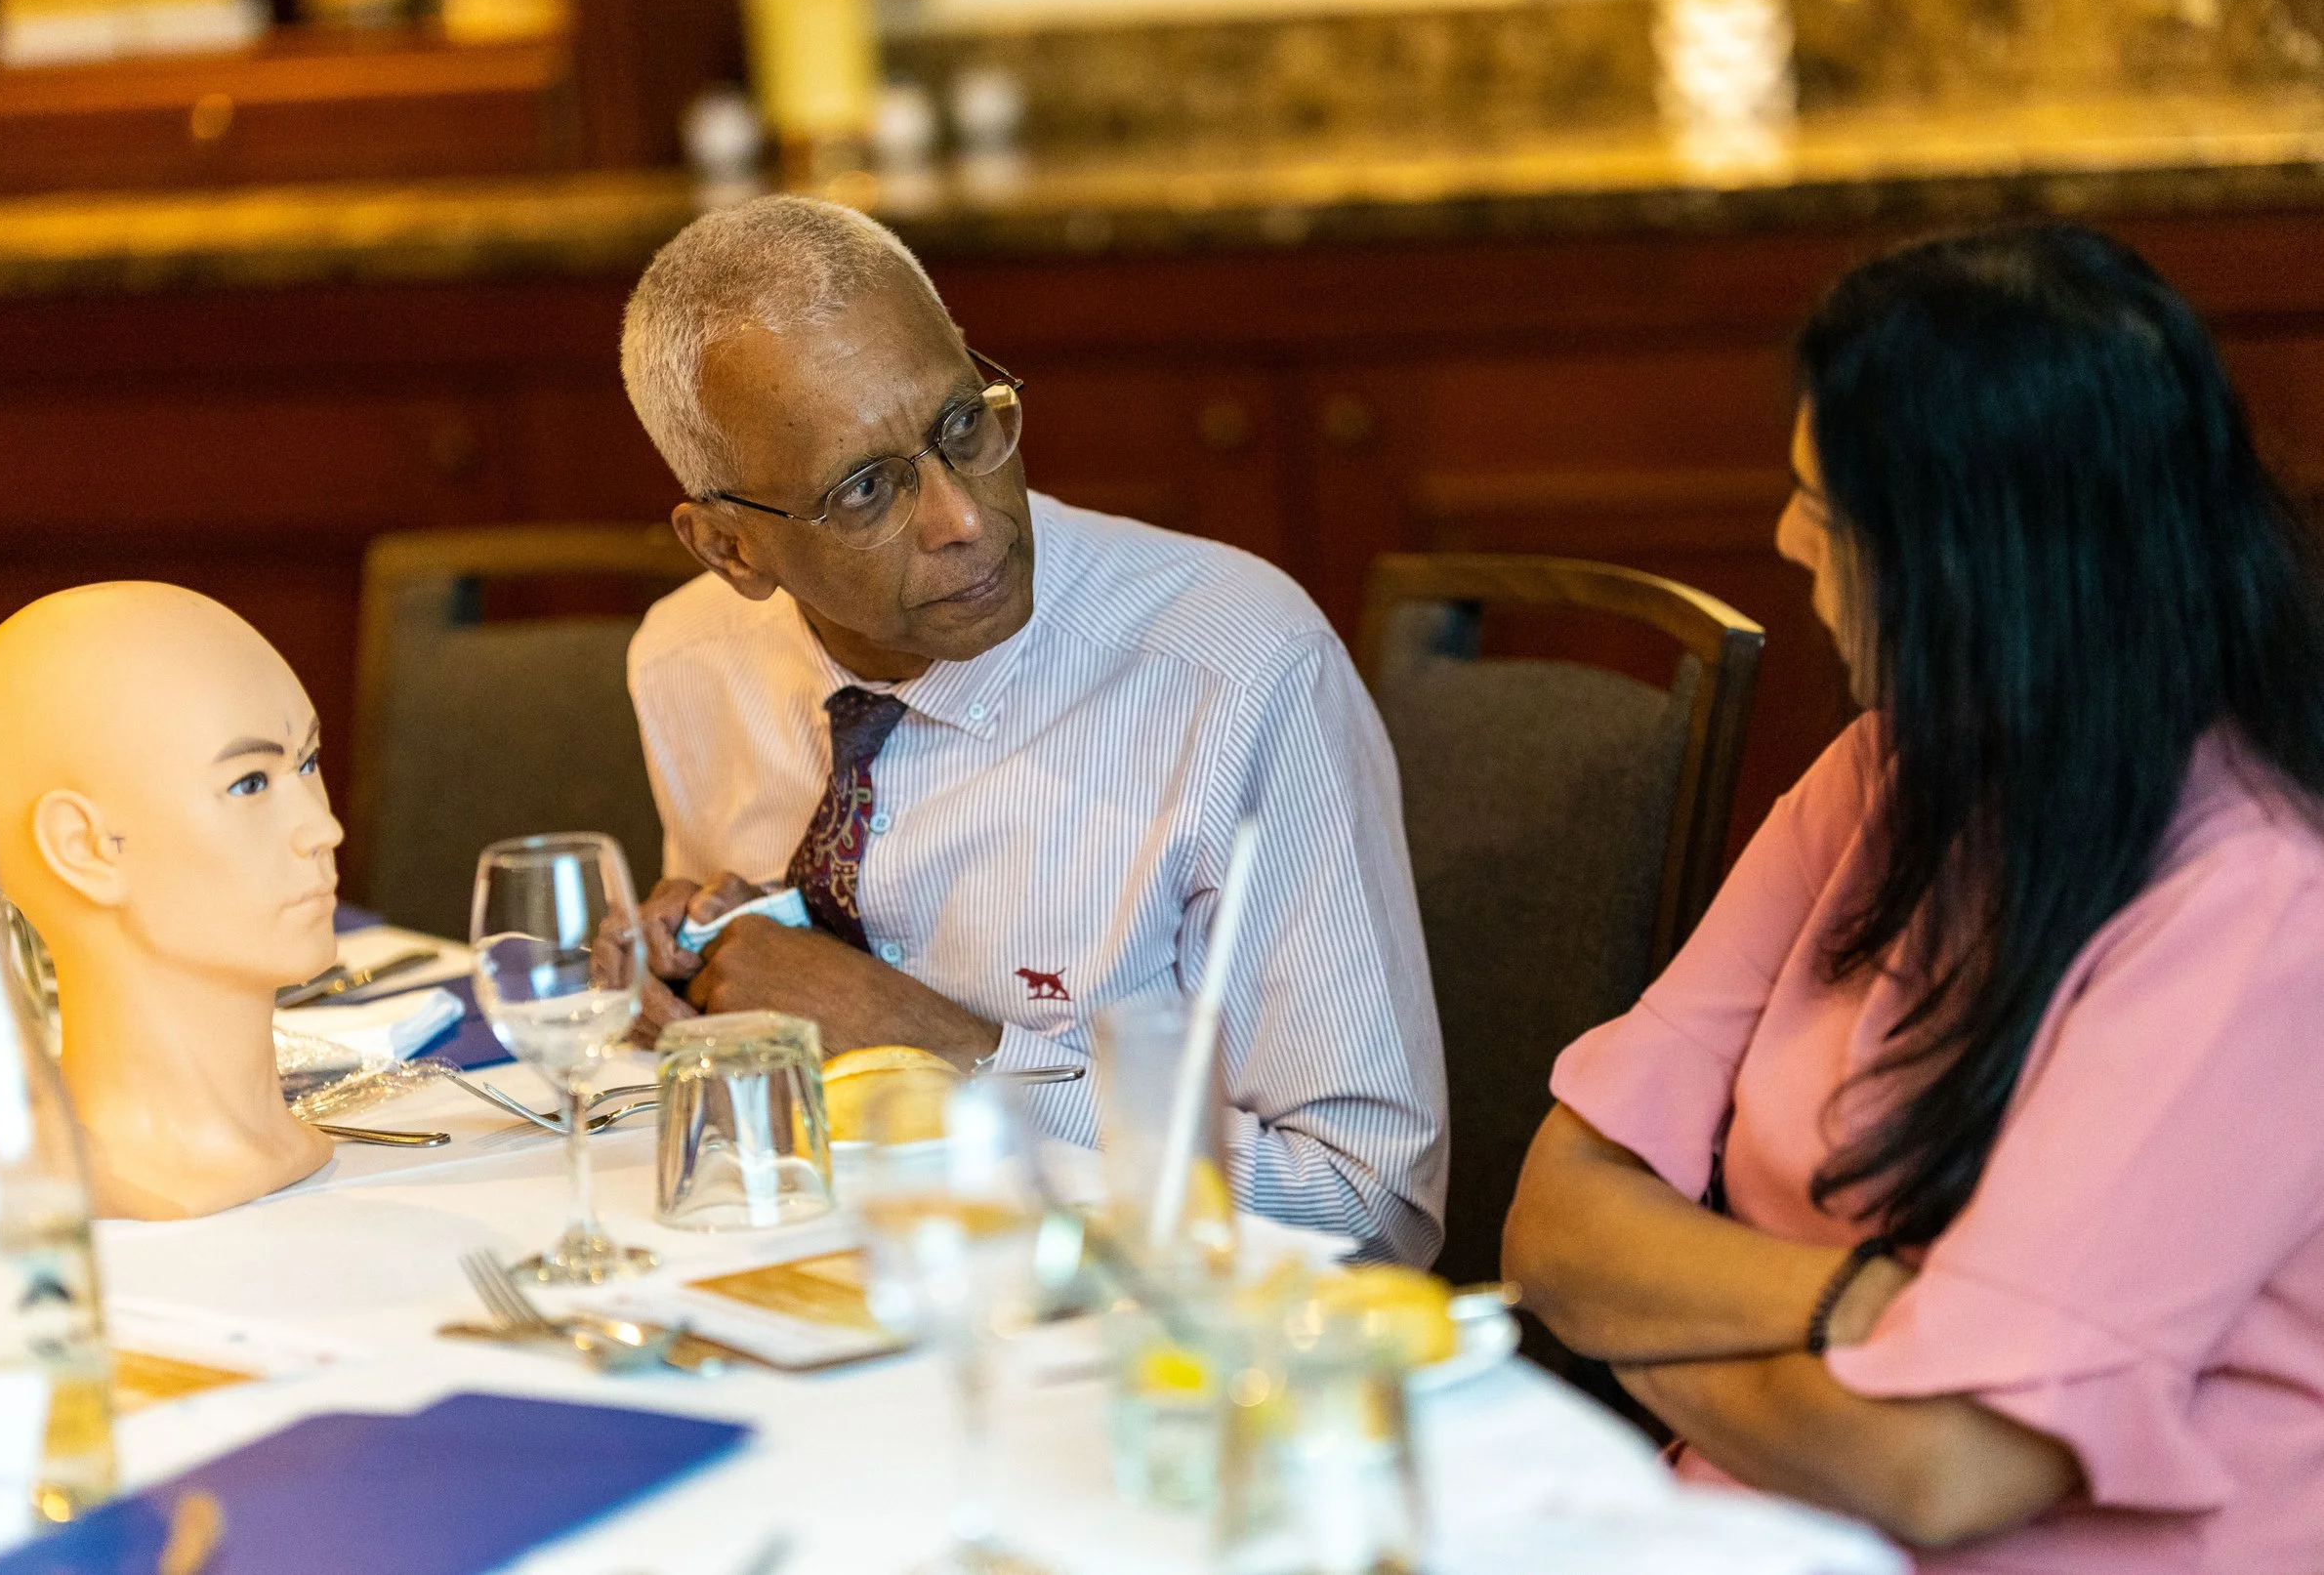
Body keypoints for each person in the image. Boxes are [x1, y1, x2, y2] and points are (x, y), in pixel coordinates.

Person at [1504, 225, 2324, 1569]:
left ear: (1985, 564)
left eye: (1825, 516)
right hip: (1749, 1526)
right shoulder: (1884, 773)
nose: (1782, 539)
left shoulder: (2259, 911)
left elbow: (1946, 1466)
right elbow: (1556, 1215)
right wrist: (1858, 1300)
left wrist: (1646, 1323)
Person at [616, 195, 1447, 1264]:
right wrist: (686, 973)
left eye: (963, 424)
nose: (966, 517)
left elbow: (1373, 1207)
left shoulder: (1235, 673)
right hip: (820, 1286)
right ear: (729, 550)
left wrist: (943, 1047)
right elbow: (764, 1050)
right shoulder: (687, 663)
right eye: (865, 490)